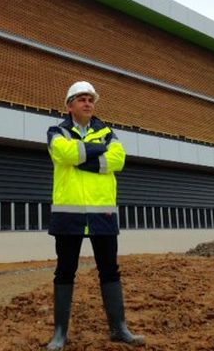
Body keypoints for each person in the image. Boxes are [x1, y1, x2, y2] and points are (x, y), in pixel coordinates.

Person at [45, 81, 145, 351]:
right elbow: (64, 153)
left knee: (110, 271)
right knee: (65, 272)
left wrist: (81, 156)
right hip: (69, 216)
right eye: (81, 99)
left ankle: (119, 328)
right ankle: (60, 334)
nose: (88, 103)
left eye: (91, 99)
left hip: (103, 215)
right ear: (69, 105)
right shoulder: (57, 131)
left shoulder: (108, 132)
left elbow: (119, 160)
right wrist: (98, 152)